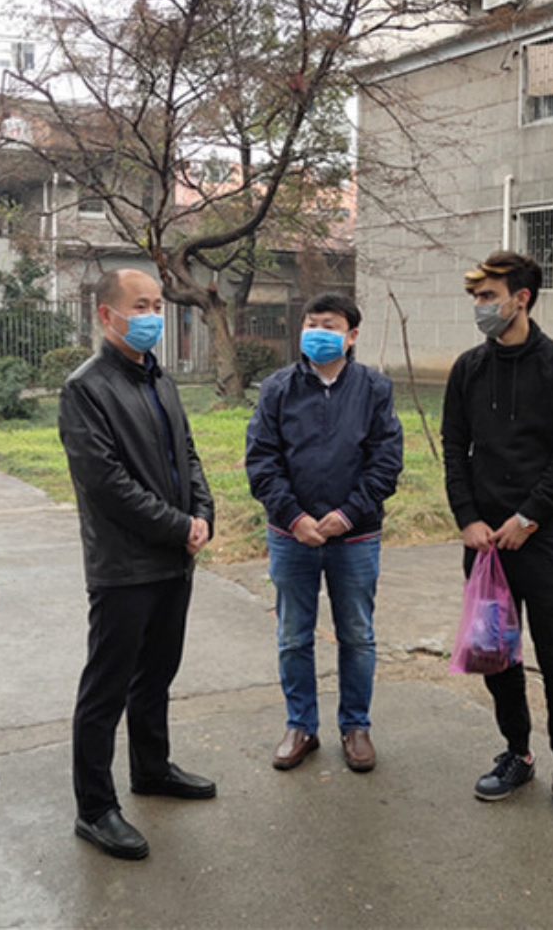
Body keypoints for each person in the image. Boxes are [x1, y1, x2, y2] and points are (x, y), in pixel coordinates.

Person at [441, 250, 553, 831]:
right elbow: (454, 450)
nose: (479, 307)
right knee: (497, 656)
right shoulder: (468, 369)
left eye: (488, 296)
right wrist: (468, 519)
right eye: (476, 297)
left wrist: (529, 517)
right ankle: (516, 753)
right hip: (484, 545)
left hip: (540, 541)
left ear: (521, 298)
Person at [58, 268, 216, 861]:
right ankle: (95, 808)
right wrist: (178, 525)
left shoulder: (160, 378)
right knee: (107, 687)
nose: (153, 316)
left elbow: (187, 455)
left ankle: (152, 767)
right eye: (140, 306)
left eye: (157, 305)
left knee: (157, 675)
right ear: (107, 315)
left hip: (174, 559)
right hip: (124, 566)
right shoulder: (86, 389)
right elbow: (106, 483)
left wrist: (202, 511)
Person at [245, 292, 404, 773]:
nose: (317, 332)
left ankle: (356, 726)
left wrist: (348, 514)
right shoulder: (277, 389)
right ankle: (301, 726)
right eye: (310, 324)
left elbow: (386, 461)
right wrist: (294, 516)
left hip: (354, 537)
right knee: (294, 634)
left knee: (356, 634)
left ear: (351, 335)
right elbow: (261, 460)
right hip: (291, 536)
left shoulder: (374, 389)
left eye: (329, 325)